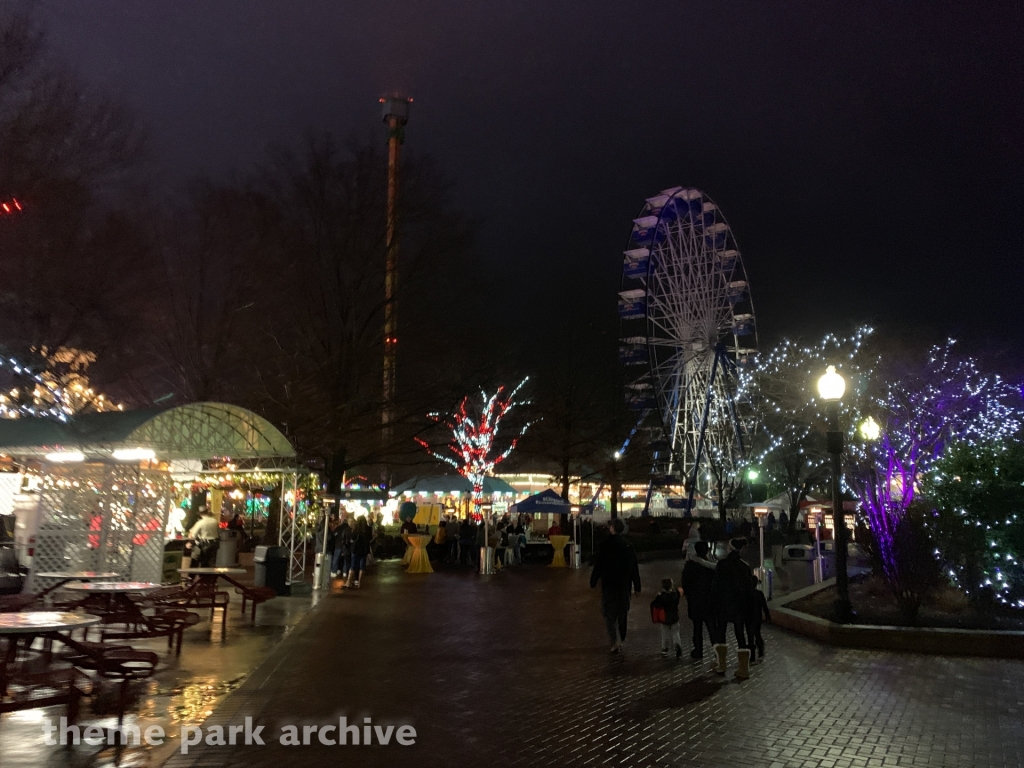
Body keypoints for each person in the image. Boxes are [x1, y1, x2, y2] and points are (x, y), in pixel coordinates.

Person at [589, 518, 641, 654]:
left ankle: (614, 641)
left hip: (609, 584)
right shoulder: (628, 546)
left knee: (609, 613)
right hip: (624, 584)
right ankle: (621, 639)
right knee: (622, 612)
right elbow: (633, 567)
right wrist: (637, 586)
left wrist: (593, 580)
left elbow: (598, 564)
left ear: (612, 528)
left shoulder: (605, 545)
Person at [711, 538, 754, 680]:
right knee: (740, 634)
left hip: (723, 604)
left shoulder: (722, 565)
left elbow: (715, 586)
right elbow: (749, 590)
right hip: (739, 605)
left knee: (721, 632)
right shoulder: (744, 567)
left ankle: (721, 664)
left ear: (729, 548)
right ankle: (743, 668)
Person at [681, 540, 716, 659]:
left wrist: (688, 594)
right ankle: (717, 650)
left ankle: (698, 650)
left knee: (697, 627)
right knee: (712, 627)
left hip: (695, 601)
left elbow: (685, 582)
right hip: (709, 601)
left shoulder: (690, 565)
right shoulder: (711, 565)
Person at [651, 578, 682, 658]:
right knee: (676, 632)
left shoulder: (661, 596)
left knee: (665, 634)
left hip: (664, 618)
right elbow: (678, 596)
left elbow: (656, 605)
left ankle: (665, 648)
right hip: (675, 617)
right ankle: (677, 644)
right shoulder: (675, 594)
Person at [747, 576, 771, 661]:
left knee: (750, 636)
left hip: (749, 618)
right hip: (757, 618)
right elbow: (764, 606)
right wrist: (767, 616)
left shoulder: (747, 594)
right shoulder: (759, 594)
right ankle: (760, 650)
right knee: (757, 634)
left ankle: (752, 656)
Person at [347, 519, 371, 588]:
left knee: (353, 565)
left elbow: (352, 537)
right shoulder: (367, 529)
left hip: (356, 549)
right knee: (362, 567)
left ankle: (348, 581)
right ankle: (360, 582)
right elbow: (370, 538)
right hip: (364, 549)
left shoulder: (356, 529)